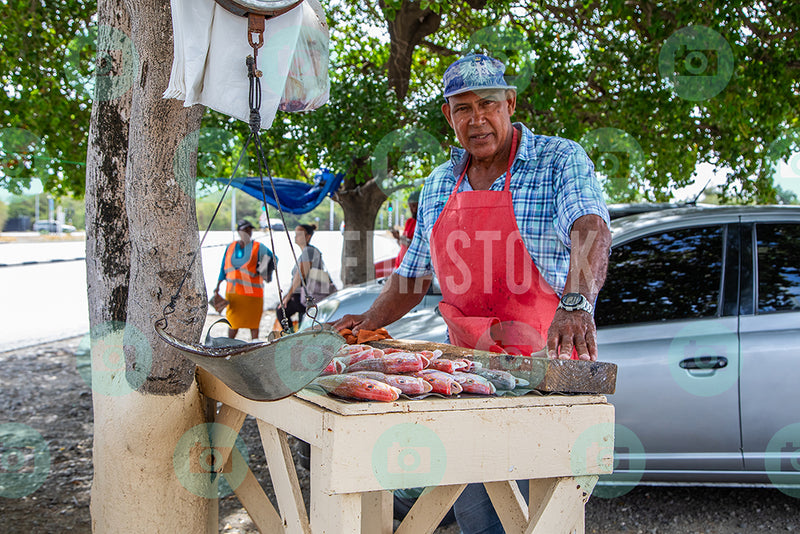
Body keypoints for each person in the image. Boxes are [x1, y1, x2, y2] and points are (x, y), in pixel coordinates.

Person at [333, 54, 612, 534]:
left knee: (536, 517)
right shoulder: (440, 183)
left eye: (488, 104)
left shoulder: (558, 159)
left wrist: (576, 302)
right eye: (463, 108)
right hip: (468, 380)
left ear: (510, 103)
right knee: (479, 518)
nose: (476, 118)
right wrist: (366, 322)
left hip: (543, 377)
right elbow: (413, 276)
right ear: (449, 116)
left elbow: (590, 226)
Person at [214, 219, 275, 340]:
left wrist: (262, 270)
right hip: (233, 293)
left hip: (253, 294)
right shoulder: (231, 247)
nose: (247, 232)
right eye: (245, 229)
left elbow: (273, 259)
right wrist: (217, 286)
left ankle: (254, 346)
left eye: (250, 229)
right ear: (239, 231)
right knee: (232, 323)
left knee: (253, 324)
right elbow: (223, 268)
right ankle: (230, 346)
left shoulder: (258, 247)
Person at [276, 223, 336, 330]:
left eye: (299, 234)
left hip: (305, 294)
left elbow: (300, 275)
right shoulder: (309, 251)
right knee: (303, 320)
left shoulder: (309, 251)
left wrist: (287, 297)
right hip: (305, 295)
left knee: (282, 311)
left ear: (308, 236)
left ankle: (290, 337)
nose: (295, 236)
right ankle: (294, 337)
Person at [391, 189, 420, 269]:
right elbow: (403, 244)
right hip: (400, 266)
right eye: (410, 206)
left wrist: (400, 238)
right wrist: (398, 238)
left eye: (414, 205)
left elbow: (416, 246)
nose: (413, 210)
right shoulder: (409, 222)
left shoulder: (423, 224)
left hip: (412, 268)